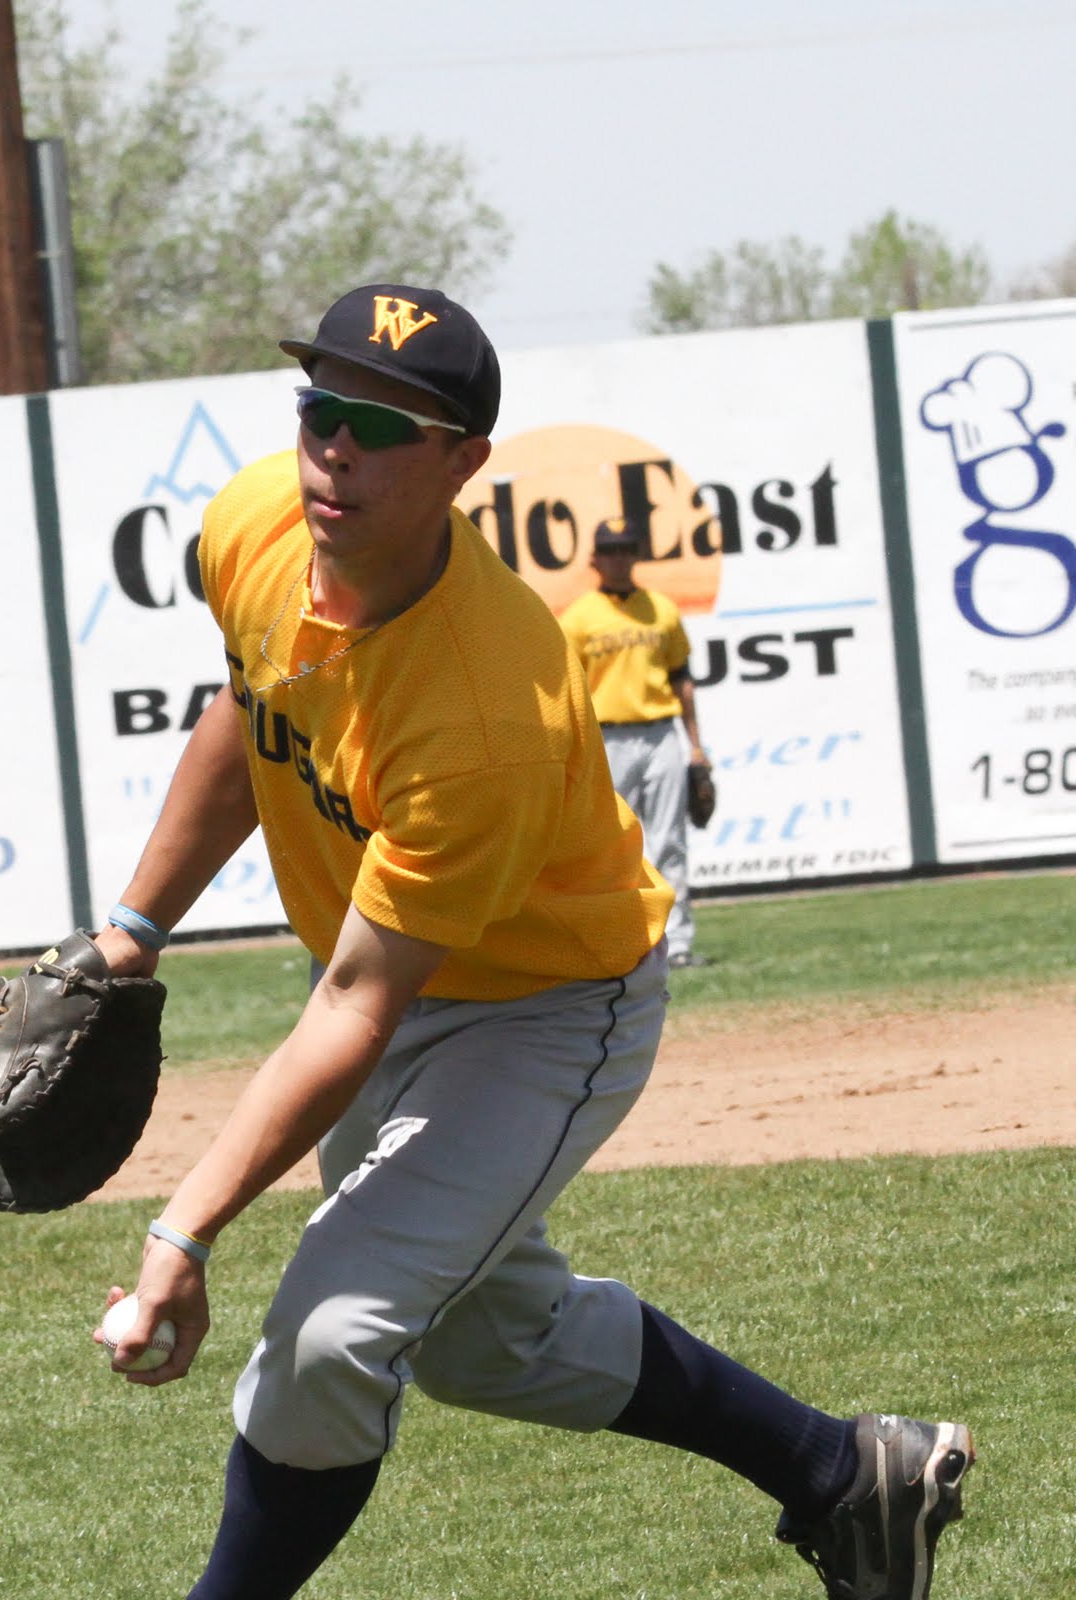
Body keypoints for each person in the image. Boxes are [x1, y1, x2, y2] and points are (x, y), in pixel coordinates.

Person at [91, 282, 973, 1600]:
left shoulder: (486, 702)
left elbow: (352, 1010)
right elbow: (247, 713)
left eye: (383, 428)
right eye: (321, 409)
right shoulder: (255, 526)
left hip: (545, 1009)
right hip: (401, 986)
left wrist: (185, 1233)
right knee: (488, 1345)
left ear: (463, 464)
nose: (336, 449)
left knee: (332, 1335)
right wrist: (130, 934)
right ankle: (848, 1478)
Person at [559, 521, 712, 968]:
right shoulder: (578, 617)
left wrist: (696, 748)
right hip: (605, 739)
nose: (619, 557)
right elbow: (566, 689)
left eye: (626, 549)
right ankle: (622, 945)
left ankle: (678, 944)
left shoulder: (660, 609)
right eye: (610, 550)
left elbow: (681, 679)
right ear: (595, 560)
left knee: (670, 840)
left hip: (661, 731)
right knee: (610, 847)